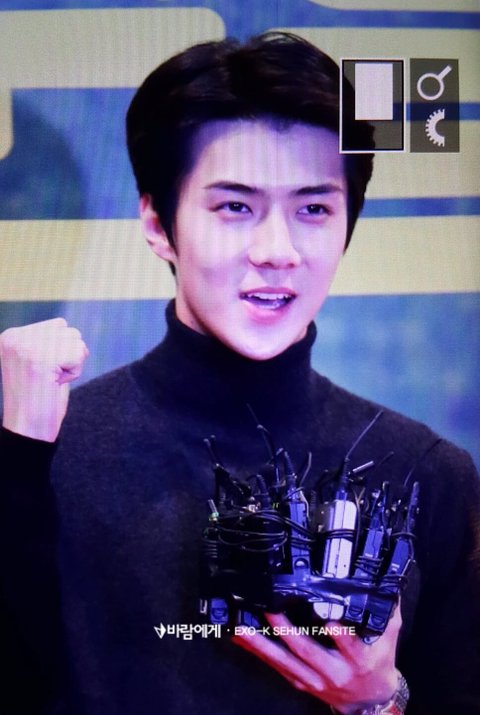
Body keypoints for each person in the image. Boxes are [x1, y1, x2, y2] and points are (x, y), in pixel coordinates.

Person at [1, 32, 479, 715]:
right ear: (157, 223)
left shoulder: (427, 472)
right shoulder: (45, 458)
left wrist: (379, 701)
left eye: (314, 208)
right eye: (235, 206)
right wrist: (17, 464)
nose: (277, 250)